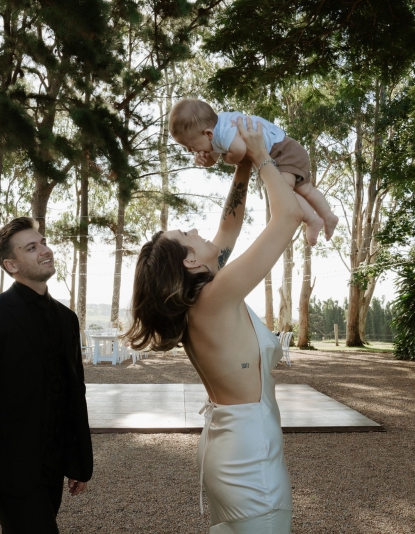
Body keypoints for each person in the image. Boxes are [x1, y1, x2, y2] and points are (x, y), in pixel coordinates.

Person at [125, 117, 304, 533]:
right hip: (251, 461)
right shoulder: (215, 297)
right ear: (190, 260)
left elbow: (229, 225)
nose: (196, 228)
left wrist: (241, 164)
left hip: (230, 445)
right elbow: (289, 216)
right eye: (186, 233)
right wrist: (262, 156)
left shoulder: (201, 298)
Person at [0, 217, 93, 534]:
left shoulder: (67, 319)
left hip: (53, 467)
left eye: (43, 242)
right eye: (31, 248)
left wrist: (78, 461)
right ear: (11, 265)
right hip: (11, 471)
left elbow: (75, 393)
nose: (45, 250)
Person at [169, 97, 339, 246]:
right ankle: (328, 215)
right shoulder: (216, 129)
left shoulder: (224, 133)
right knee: (305, 189)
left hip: (282, 151)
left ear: (208, 134)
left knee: (284, 191)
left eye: (190, 146)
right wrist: (205, 160)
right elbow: (213, 159)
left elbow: (239, 150)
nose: (190, 151)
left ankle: (312, 220)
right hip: (290, 148)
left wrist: (227, 159)